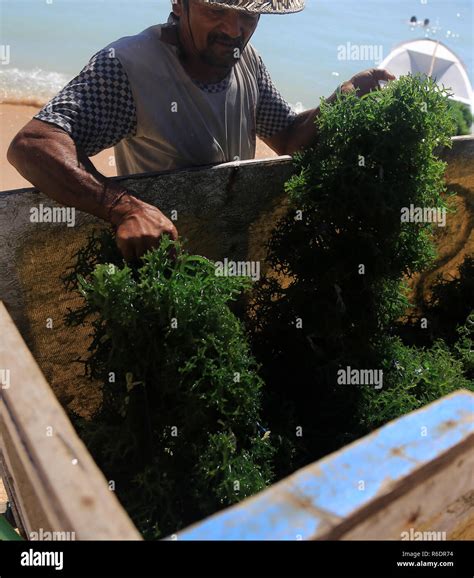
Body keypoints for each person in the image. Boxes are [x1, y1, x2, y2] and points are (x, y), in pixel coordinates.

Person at [8, 0, 395, 261]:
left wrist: (344, 96)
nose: (234, 28)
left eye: (248, 16)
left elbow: (290, 138)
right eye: (216, 9)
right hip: (166, 271)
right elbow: (34, 144)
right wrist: (124, 209)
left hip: (232, 259)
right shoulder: (129, 67)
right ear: (180, 3)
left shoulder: (247, 63)